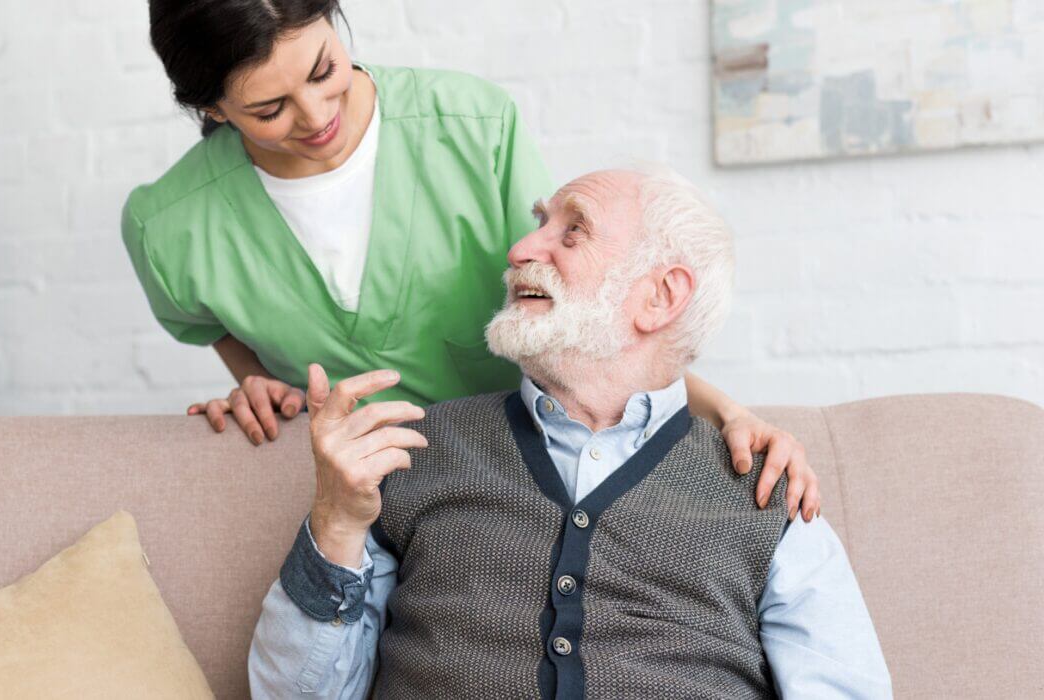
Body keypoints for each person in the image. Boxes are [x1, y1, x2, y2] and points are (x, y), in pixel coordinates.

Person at [125, 0, 821, 522]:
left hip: (534, 481)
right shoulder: (168, 226)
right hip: (370, 508)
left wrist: (726, 410)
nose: (314, 117)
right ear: (211, 109)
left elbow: (582, 307)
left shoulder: (474, 126)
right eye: (270, 107)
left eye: (324, 70)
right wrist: (260, 386)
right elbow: (209, 322)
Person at [247, 166, 892, 698]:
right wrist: (334, 522)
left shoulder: (769, 492)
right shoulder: (412, 452)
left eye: (573, 231)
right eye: (538, 225)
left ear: (660, 297)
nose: (521, 251)